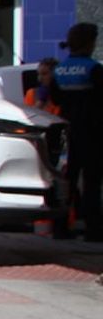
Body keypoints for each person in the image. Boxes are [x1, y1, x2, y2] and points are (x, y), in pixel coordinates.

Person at [54, 23, 103, 241]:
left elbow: (55, 99)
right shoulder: (94, 69)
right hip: (92, 133)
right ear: (89, 43)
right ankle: (93, 230)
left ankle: (60, 227)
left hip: (67, 132)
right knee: (92, 182)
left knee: (67, 181)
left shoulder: (60, 70)